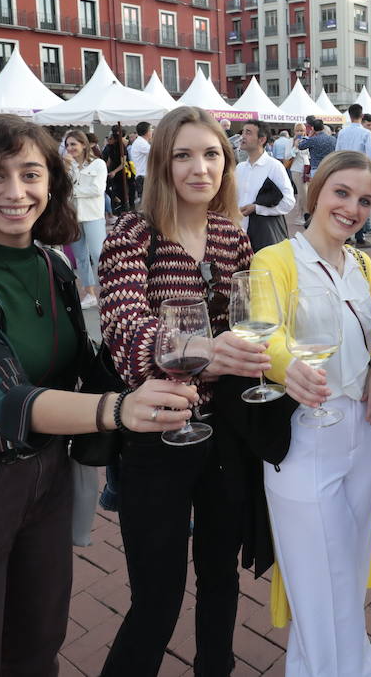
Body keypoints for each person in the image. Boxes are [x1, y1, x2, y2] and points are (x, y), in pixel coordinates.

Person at [0, 115, 192, 675]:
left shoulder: (52, 265)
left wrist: (155, 360)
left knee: (37, 644)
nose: (16, 193)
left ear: (53, 182)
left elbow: (81, 366)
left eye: (30, 174)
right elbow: (6, 399)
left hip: (46, 480)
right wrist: (120, 410)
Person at [97, 106, 271, 677]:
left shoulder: (229, 235)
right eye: (184, 155)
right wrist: (204, 351)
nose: (201, 168)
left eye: (213, 154)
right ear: (162, 163)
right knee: (157, 596)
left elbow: (250, 316)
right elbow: (124, 334)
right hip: (158, 434)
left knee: (221, 580)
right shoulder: (132, 236)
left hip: (224, 435)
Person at [252, 150, 371, 676]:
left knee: (348, 579)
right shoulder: (276, 260)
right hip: (305, 434)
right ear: (316, 192)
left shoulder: (359, 263)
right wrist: (290, 366)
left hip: (364, 433)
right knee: (317, 585)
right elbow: (265, 335)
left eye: (365, 199)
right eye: (342, 193)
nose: (353, 208)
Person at [236, 119, 295, 252]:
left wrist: (257, 208)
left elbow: (288, 202)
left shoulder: (274, 167)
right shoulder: (240, 168)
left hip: (264, 234)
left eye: (248, 133)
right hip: (240, 235)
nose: (243, 136)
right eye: (243, 132)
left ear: (261, 140)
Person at [64, 129, 107, 309]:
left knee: (99, 254)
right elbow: (62, 190)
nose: (70, 148)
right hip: (74, 216)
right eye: (67, 145)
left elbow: (97, 189)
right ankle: (89, 294)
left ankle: (106, 291)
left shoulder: (98, 164)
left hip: (93, 215)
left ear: (83, 144)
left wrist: (73, 192)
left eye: (73, 144)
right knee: (80, 257)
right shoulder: (69, 166)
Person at [335, 105, 371, 246]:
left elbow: (337, 152)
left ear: (349, 114)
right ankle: (360, 237)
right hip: (360, 172)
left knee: (345, 203)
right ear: (362, 115)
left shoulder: (342, 132)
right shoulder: (366, 133)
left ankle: (346, 236)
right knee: (360, 203)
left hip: (344, 171)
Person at [129, 121, 153, 200]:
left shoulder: (142, 142)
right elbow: (157, 152)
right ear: (147, 132)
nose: (152, 131)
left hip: (144, 177)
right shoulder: (141, 143)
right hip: (144, 178)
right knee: (147, 203)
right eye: (151, 129)